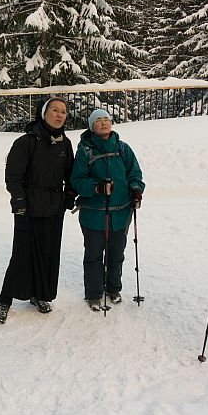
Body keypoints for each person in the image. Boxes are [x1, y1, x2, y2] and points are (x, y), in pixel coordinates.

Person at [0, 97, 76, 324]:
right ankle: (5, 300)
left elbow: (71, 174)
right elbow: (13, 176)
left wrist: (69, 195)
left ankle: (39, 295)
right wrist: (19, 201)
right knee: (22, 254)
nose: (60, 115)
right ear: (43, 113)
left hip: (54, 206)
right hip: (27, 207)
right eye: (55, 110)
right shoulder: (25, 142)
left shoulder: (65, 144)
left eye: (63, 111)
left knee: (48, 253)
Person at [71, 109, 145, 311]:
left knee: (116, 254)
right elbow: (77, 181)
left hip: (121, 214)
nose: (103, 123)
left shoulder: (123, 149)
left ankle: (113, 288)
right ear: (91, 126)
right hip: (93, 214)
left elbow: (135, 174)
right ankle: (94, 293)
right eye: (98, 121)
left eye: (106, 119)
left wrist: (136, 190)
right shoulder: (85, 151)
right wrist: (96, 187)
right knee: (94, 255)